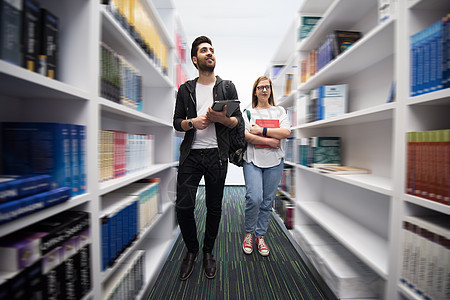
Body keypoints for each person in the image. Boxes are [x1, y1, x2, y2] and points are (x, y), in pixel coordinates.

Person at [173, 36, 243, 280]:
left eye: (211, 50)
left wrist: (221, 119)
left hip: (217, 155)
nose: (209, 53)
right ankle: (191, 249)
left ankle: (208, 252)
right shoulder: (185, 89)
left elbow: (238, 123)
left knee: (214, 208)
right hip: (191, 155)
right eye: (204, 50)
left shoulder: (227, 87)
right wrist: (193, 122)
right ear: (195, 59)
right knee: (183, 207)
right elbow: (177, 123)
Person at [241, 75, 291, 256]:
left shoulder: (280, 111)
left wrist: (261, 130)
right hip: (252, 160)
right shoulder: (248, 112)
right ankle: (249, 232)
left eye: (267, 87)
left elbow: (285, 132)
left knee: (267, 201)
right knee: (254, 198)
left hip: (275, 162)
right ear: (255, 91)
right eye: (260, 87)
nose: (264, 90)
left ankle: (260, 236)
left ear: (270, 90)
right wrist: (270, 140)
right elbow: (245, 136)